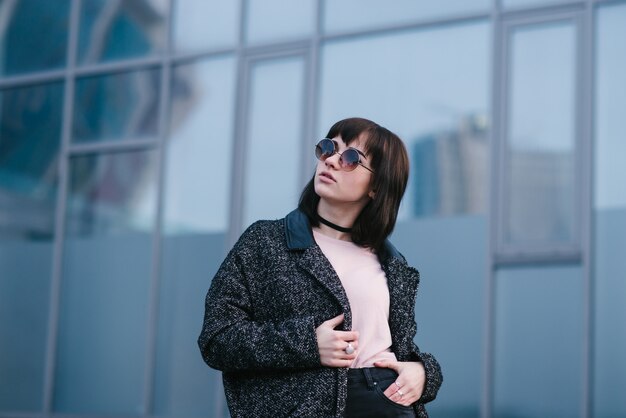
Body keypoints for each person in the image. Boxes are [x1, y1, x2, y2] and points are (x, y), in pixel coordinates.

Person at [198, 117, 442, 417]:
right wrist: (308, 343)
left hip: (387, 404)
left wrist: (424, 373)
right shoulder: (265, 242)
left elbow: (400, 348)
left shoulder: (393, 265)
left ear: (376, 188)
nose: (332, 161)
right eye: (329, 148)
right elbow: (217, 339)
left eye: (352, 158)